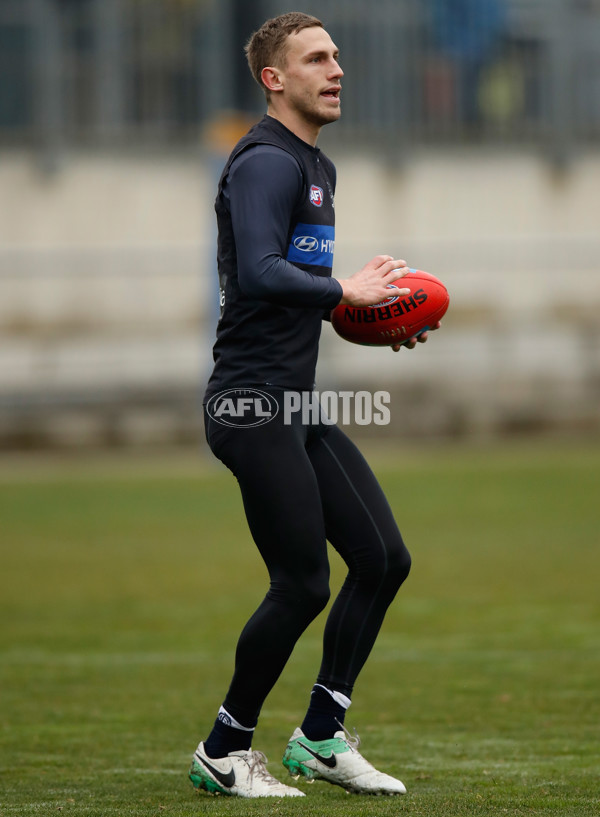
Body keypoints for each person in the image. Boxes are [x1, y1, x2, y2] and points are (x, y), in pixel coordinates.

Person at [189, 11, 438, 799]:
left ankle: (322, 736)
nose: (336, 69)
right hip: (249, 406)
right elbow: (258, 273)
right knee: (300, 583)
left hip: (294, 401)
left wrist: (361, 314)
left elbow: (293, 294)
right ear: (274, 78)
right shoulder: (266, 161)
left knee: (383, 558)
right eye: (316, 58)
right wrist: (342, 289)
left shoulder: (313, 164)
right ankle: (224, 751)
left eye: (337, 56)